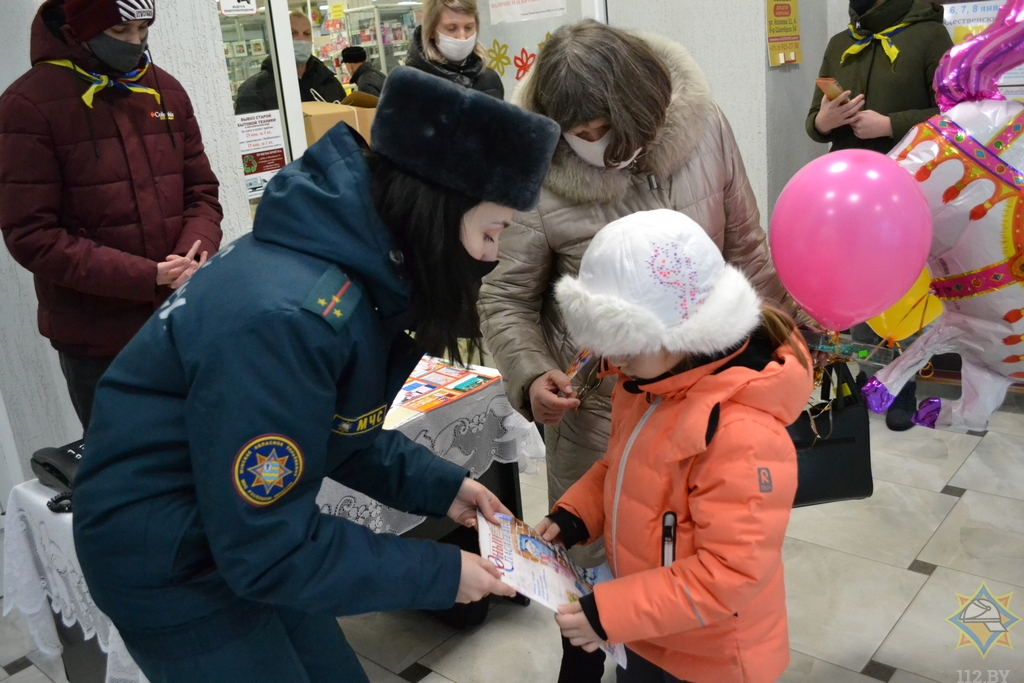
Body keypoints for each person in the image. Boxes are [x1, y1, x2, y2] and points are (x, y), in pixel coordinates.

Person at [71, 67, 560, 682]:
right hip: (168, 558)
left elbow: (333, 431)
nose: (491, 256)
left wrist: (443, 488)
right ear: (436, 212)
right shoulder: (289, 317)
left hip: (243, 532)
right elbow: (267, 548)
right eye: (491, 232)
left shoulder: (352, 270)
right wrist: (439, 574)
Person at [477, 21, 807, 680]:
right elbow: (503, 297)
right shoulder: (530, 173)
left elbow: (746, 247)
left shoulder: (703, 126)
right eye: (593, 134)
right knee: (591, 601)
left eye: (629, 131)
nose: (616, 149)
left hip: (706, 403)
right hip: (603, 418)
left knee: (651, 594)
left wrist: (785, 349)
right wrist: (535, 373)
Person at [536, 209, 814, 683]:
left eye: (625, 343)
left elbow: (727, 574)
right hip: (646, 631)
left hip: (712, 657)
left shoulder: (742, 435)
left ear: (681, 332)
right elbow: (621, 468)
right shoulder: (646, 385)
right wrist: (573, 516)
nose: (613, 359)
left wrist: (610, 613)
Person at [0, 0, 221, 432]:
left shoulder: (165, 90)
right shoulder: (28, 105)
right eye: (120, 32)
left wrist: (194, 254)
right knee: (126, 471)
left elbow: (202, 193)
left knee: (205, 448)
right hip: (96, 337)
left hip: (182, 316)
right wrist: (146, 276)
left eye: (142, 29)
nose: (136, 43)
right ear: (79, 27)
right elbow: (32, 235)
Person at [805, 0, 952, 430]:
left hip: (906, 190)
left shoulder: (929, 36)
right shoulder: (839, 43)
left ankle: (903, 383)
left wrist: (891, 125)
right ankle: (872, 380)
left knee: (904, 288)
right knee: (857, 289)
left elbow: (954, 115)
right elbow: (813, 124)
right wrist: (825, 120)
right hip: (847, 194)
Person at [234, 11, 346, 114]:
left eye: (306, 34)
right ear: (278, 38)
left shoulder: (329, 83)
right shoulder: (255, 89)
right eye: (293, 33)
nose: (301, 40)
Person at [406, 0, 503, 99]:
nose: (462, 38)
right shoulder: (411, 82)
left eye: (468, 28)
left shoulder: (490, 79)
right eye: (451, 29)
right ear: (431, 31)